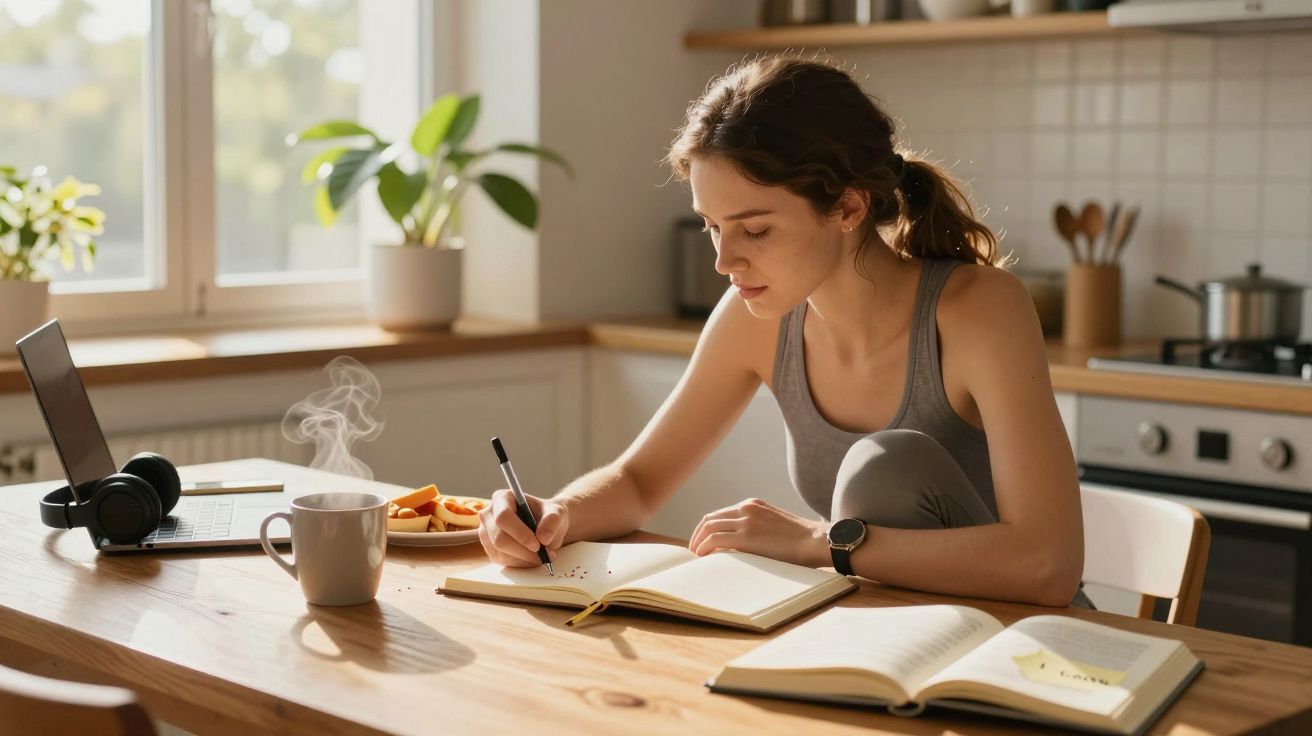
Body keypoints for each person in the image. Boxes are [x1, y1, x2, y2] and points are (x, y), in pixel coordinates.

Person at [477, 54, 1090, 609]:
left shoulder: (979, 310)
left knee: (885, 465)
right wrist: (557, 511)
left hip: (1020, 656)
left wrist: (817, 542)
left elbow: (1048, 566)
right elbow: (639, 481)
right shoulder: (755, 317)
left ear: (848, 209)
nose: (724, 260)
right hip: (888, 640)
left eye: (756, 230)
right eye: (712, 226)